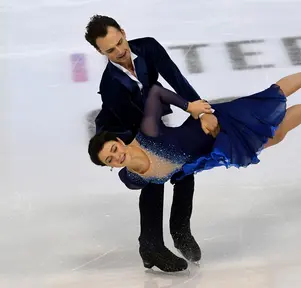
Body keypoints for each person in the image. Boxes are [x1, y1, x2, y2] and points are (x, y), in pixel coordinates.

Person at [88, 58, 301, 188]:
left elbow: (154, 92)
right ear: (110, 167)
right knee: (277, 134)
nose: (117, 156)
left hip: (215, 124)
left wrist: (193, 108)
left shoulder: (146, 135)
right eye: (110, 160)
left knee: (268, 103)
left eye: (113, 148)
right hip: (217, 149)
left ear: (117, 140)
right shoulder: (132, 179)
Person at [84, 14, 220, 272]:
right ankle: (151, 244)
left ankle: (179, 228)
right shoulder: (111, 85)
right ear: (100, 52)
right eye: (110, 51)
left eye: (120, 42)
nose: (120, 52)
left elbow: (175, 78)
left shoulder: (148, 47)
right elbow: (135, 132)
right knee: (155, 172)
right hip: (122, 131)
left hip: (151, 113)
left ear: (123, 32)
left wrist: (201, 110)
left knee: (183, 162)